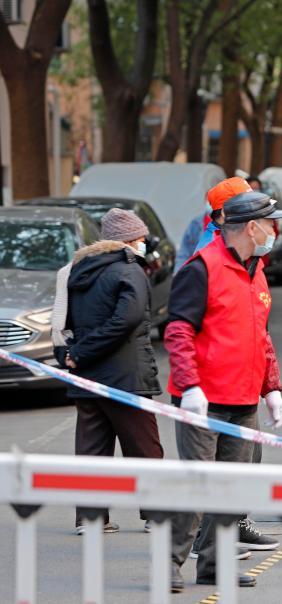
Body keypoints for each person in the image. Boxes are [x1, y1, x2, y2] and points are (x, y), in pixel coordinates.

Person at [164, 191, 282, 593]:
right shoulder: (201, 269)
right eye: (271, 223)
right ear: (252, 227)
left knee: (231, 488)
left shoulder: (257, 270)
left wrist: (272, 389)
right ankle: (168, 563)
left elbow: (260, 336)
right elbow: (178, 332)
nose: (276, 230)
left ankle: (214, 566)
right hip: (204, 403)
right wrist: (190, 386)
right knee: (197, 486)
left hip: (243, 400)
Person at [52, 208, 164, 533]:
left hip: (86, 377)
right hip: (126, 377)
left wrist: (73, 355)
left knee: (92, 449)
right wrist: (83, 352)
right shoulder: (130, 271)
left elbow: (64, 319)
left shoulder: (77, 270)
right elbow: (126, 321)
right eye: (141, 238)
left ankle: (90, 519)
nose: (144, 243)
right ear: (129, 240)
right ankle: (156, 514)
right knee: (144, 448)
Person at [176, 177, 251, 269]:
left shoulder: (231, 240)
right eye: (244, 208)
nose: (252, 214)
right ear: (224, 212)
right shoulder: (209, 250)